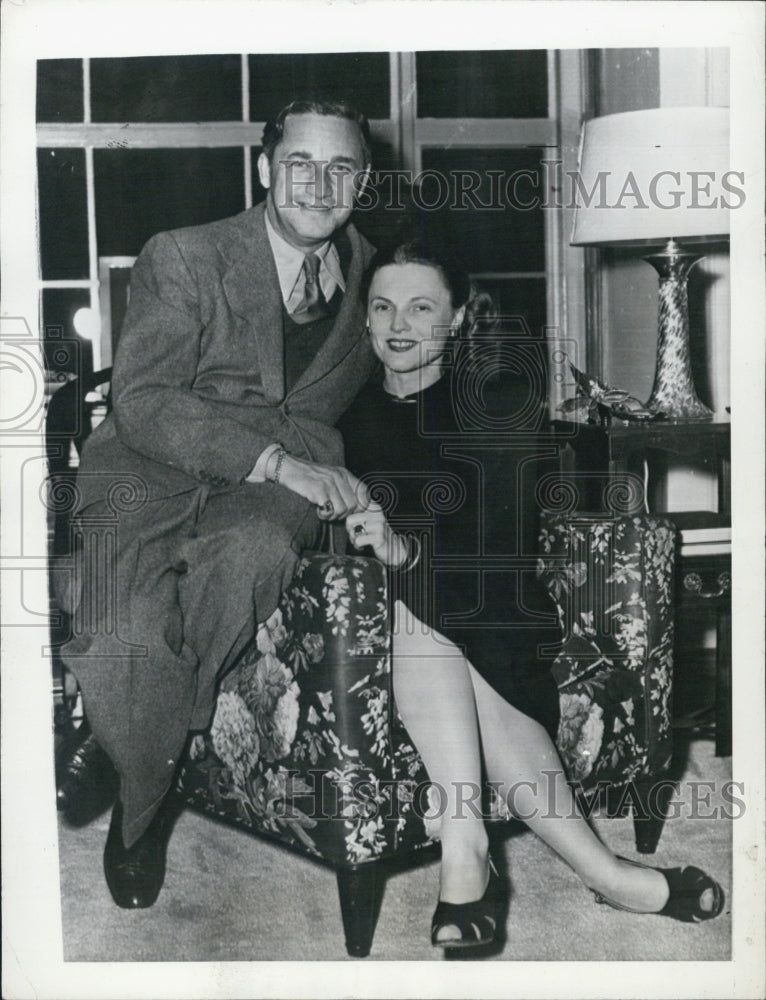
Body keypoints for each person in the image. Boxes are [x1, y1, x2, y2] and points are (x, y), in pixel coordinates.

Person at [338, 241, 725, 949]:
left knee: (425, 612)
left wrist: (404, 550)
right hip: (380, 630)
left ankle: (470, 852)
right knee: (399, 606)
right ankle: (598, 873)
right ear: (363, 321)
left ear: (456, 318)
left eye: (421, 306)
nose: (399, 323)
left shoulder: (496, 401)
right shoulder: (345, 420)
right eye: (383, 306)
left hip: (495, 614)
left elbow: (494, 550)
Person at [57, 99, 380, 910]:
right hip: (147, 469)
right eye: (299, 163)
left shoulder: (374, 275)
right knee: (123, 631)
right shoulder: (186, 255)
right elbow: (143, 400)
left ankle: (136, 790)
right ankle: (143, 752)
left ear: (363, 182)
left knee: (258, 554)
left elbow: (402, 378)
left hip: (274, 494)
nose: (318, 183)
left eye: (340, 168)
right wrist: (269, 457)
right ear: (266, 169)